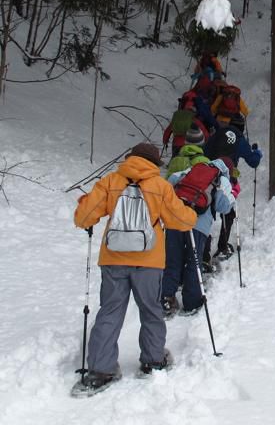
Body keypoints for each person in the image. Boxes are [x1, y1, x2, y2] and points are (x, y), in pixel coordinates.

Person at [73, 143, 197, 391]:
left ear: (130, 159)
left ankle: (100, 369)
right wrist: (191, 212)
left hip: (113, 259)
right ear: (153, 164)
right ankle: (153, 361)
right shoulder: (160, 186)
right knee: (151, 310)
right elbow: (181, 221)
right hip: (149, 262)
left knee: (109, 311)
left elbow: (83, 218)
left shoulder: (110, 181)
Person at [162, 158, 235, 316]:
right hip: (197, 224)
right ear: (226, 170)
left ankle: (166, 299)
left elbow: (170, 181)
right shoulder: (221, 179)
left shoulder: (191, 170)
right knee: (193, 262)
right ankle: (192, 302)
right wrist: (233, 195)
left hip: (174, 220)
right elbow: (224, 207)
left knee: (172, 260)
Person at [202, 124, 262, 260]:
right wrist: (257, 153)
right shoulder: (239, 139)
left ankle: (204, 254)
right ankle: (222, 247)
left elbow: (204, 152)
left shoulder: (216, 135)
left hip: (210, 176)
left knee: (207, 212)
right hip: (227, 177)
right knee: (228, 211)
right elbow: (253, 162)